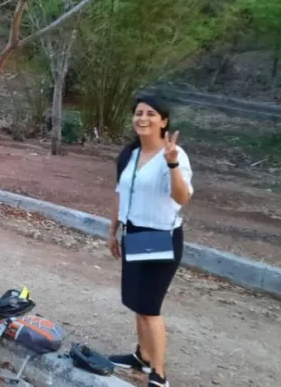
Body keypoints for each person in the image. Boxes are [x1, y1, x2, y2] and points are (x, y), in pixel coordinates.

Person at [106, 94, 193, 387]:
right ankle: (142, 356)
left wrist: (171, 165)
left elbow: (183, 197)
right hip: (135, 232)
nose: (142, 118)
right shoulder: (130, 155)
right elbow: (121, 195)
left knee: (150, 306)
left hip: (159, 236)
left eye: (151, 114)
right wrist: (113, 231)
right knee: (137, 301)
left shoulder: (174, 155)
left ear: (163, 122)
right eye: (138, 113)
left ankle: (158, 372)